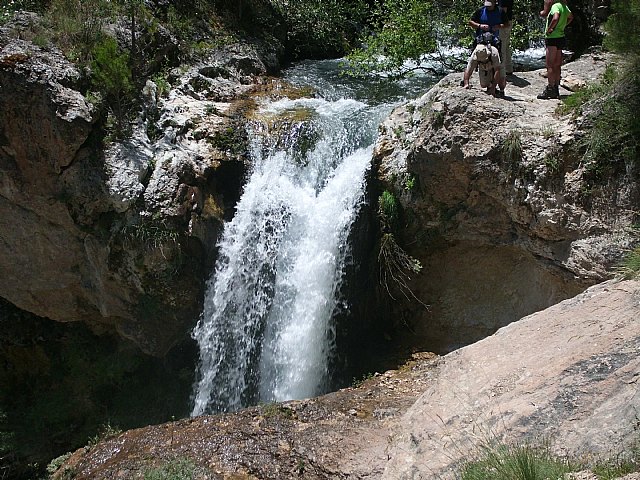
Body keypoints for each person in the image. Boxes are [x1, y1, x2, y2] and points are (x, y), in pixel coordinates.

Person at [469, 0, 509, 96]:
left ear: (495, 3)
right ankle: (489, 86)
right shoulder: (480, 11)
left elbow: (507, 24)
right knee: (485, 65)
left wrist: (499, 26)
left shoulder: (500, 11)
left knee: (499, 67)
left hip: (496, 43)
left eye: (490, 6)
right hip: (482, 43)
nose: (488, 8)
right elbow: (470, 22)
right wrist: (480, 26)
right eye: (486, 6)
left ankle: (501, 89)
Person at [537, 0, 573, 99]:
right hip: (561, 37)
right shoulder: (564, 7)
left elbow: (555, 17)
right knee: (557, 65)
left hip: (552, 38)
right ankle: (556, 88)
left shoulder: (555, 6)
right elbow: (571, 17)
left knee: (550, 65)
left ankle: (550, 88)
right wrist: (563, 26)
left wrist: (550, 29)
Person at [462, 32, 502, 96]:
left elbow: (497, 70)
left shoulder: (494, 53)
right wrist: (466, 83)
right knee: (483, 85)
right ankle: (490, 85)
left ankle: (501, 90)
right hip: (484, 67)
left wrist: (493, 88)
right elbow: (468, 69)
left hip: (494, 65)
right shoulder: (475, 54)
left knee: (501, 81)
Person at [498, 0, 514, 75]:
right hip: (508, 22)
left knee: (502, 46)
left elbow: (503, 11)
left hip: (503, 24)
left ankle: (502, 71)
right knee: (506, 45)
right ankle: (508, 68)